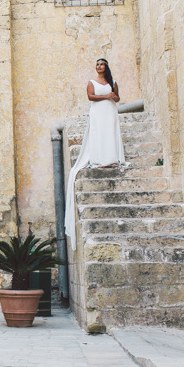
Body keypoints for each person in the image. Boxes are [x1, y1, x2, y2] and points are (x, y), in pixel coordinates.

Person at [64, 58, 126, 250]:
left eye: (102, 64)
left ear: (106, 67)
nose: (100, 67)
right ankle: (100, 158)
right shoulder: (92, 83)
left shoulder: (112, 82)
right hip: (98, 111)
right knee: (99, 133)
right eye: (98, 64)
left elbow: (117, 97)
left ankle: (112, 157)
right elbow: (91, 97)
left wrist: (113, 98)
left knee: (110, 132)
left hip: (110, 111)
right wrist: (106, 97)